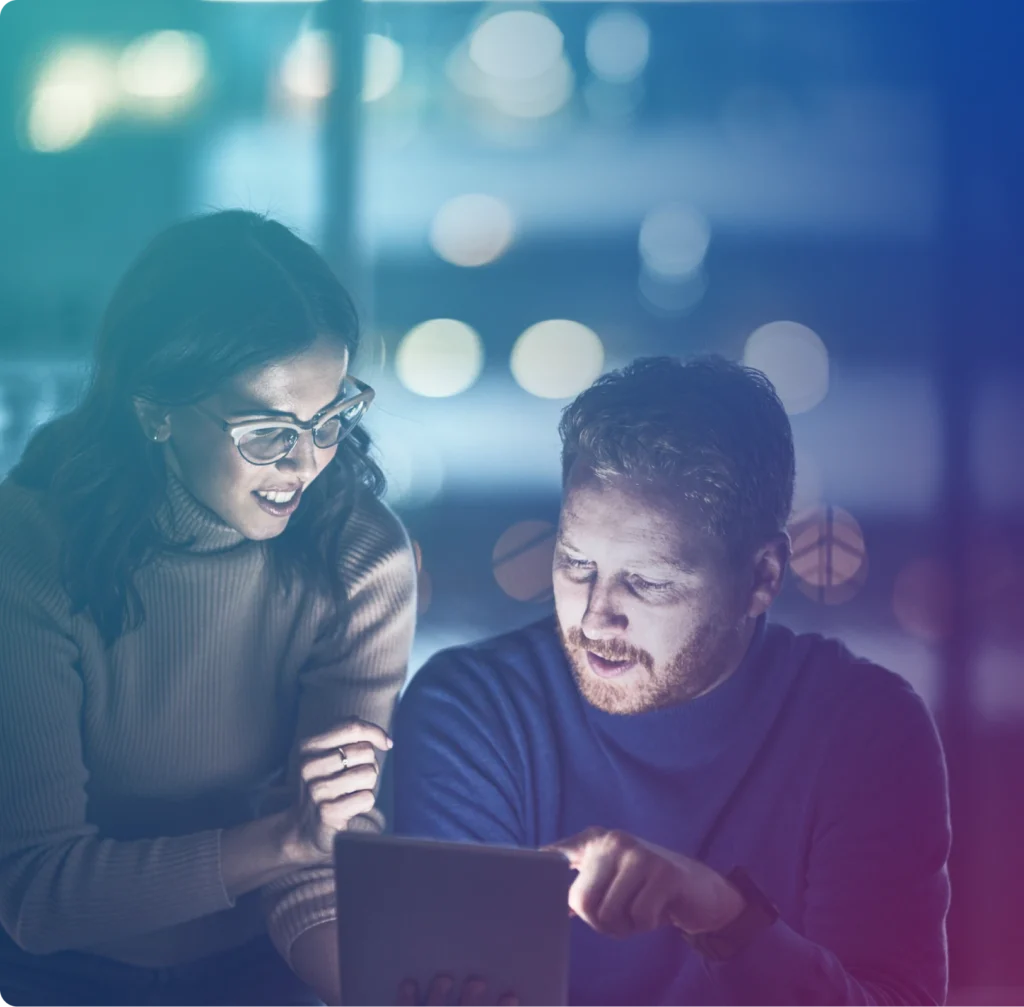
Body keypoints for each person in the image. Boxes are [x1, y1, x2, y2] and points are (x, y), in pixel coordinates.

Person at [393, 356, 951, 1007]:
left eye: (647, 581)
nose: (596, 615)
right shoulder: (472, 712)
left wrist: (721, 913)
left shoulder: (865, 730)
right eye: (576, 564)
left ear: (761, 578)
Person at [0, 210, 417, 1007]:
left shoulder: (361, 558)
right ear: (154, 408)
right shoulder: (28, 551)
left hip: (264, 960)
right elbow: (37, 896)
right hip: (47, 970)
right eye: (267, 432)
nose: (305, 464)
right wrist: (287, 839)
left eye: (331, 418)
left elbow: (328, 856)